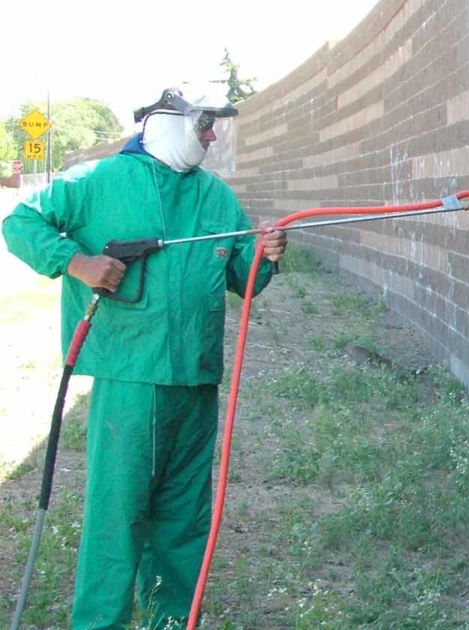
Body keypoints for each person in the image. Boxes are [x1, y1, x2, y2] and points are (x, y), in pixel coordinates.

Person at [1, 84, 287, 629]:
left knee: (183, 520)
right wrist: (76, 261)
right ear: (170, 123)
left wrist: (265, 253)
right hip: (128, 378)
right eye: (205, 124)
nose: (212, 134)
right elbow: (19, 222)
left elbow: (239, 275)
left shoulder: (214, 196)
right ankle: (100, 622)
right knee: (118, 517)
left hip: (195, 380)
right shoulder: (99, 181)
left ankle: (169, 620)